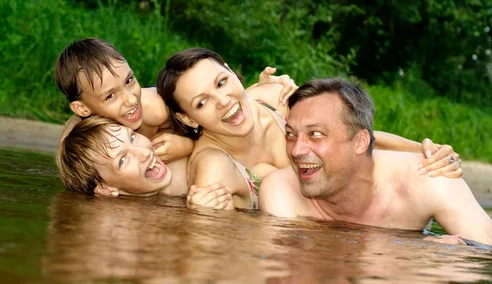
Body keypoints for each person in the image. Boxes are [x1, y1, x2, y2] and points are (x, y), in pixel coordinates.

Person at [156, 48, 463, 210]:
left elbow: (357, 139)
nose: (224, 101)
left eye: (222, 82)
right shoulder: (212, 163)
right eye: (201, 103)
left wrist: (430, 151)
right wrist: (202, 212)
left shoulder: (273, 99)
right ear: (188, 120)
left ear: (232, 73)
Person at [259, 77, 492, 246]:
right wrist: (421, 255)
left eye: (316, 134)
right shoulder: (280, 189)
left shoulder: (429, 178)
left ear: (360, 142)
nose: (297, 150)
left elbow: (483, 253)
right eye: (291, 135)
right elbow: (293, 268)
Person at [54, 38, 296, 164]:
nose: (129, 100)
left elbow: (204, 111)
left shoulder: (156, 109)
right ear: (82, 108)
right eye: (110, 96)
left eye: (129, 81)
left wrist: (185, 146)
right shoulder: (83, 136)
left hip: (207, 142)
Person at [57, 115, 239, 208]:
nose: (143, 152)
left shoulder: (180, 154)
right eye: (123, 160)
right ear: (105, 189)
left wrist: (187, 144)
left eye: (133, 137)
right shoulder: (123, 218)